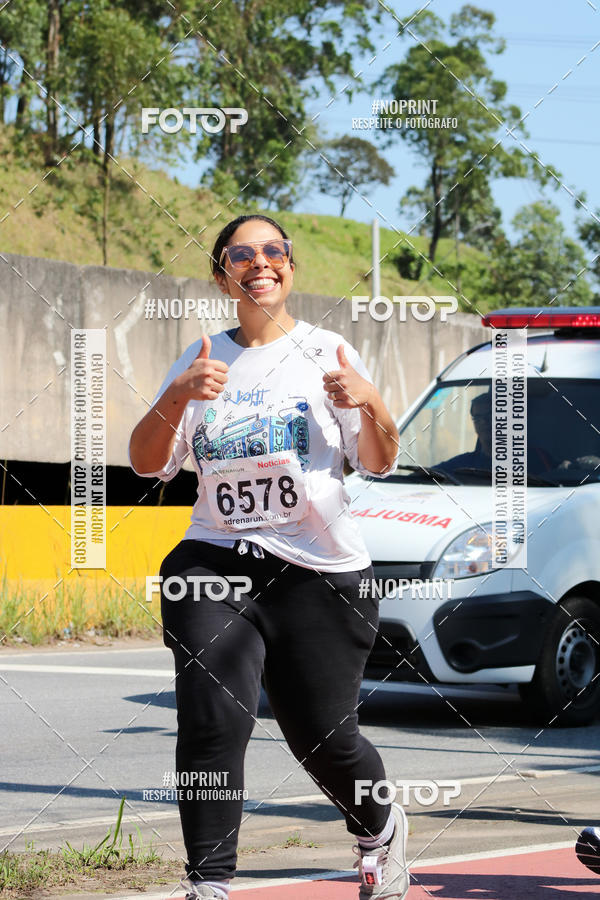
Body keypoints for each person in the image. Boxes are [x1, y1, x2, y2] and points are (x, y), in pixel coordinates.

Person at [128, 214, 410, 900]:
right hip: (216, 558)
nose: (260, 262)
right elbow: (144, 464)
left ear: (291, 265)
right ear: (222, 274)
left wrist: (369, 402)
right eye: (241, 254)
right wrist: (175, 395)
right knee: (211, 715)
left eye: (273, 251)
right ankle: (210, 883)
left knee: (321, 738)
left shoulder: (329, 351)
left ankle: (380, 827)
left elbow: (379, 457)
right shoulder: (200, 357)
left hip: (319, 572)